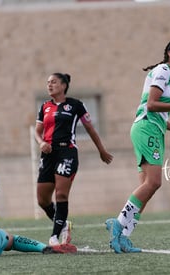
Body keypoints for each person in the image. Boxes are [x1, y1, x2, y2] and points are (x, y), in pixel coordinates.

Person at [105, 38, 170, 253]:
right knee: (154, 183)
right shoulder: (163, 71)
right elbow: (151, 105)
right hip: (147, 129)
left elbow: (159, 113)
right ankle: (117, 223)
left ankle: (123, 237)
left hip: (152, 129)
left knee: (147, 187)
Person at [35, 72, 113, 246]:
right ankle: (63, 225)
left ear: (63, 86)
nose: (49, 85)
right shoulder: (45, 106)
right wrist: (41, 143)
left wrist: (101, 150)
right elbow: (37, 132)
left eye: (53, 82)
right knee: (42, 200)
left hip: (67, 152)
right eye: (48, 82)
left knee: (61, 193)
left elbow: (91, 129)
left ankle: (54, 236)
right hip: (47, 155)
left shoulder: (76, 105)